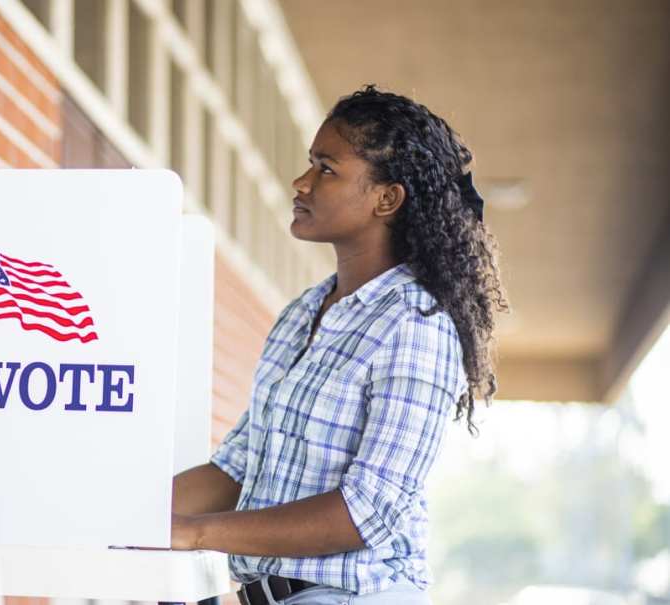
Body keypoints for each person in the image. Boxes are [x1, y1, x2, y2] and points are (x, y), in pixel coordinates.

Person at [168, 85, 508, 605]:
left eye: (327, 169)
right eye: (310, 164)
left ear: (386, 199)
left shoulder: (416, 324)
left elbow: (365, 510)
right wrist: (127, 511)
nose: (301, 182)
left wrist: (193, 532)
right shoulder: (303, 312)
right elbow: (237, 468)